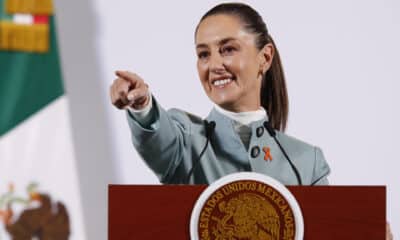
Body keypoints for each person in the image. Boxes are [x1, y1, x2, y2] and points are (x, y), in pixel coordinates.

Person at [109, 2, 330, 185]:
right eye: (204, 54)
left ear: (265, 58)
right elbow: (158, 137)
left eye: (228, 49)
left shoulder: (307, 163)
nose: (214, 65)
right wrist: (142, 106)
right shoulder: (184, 141)